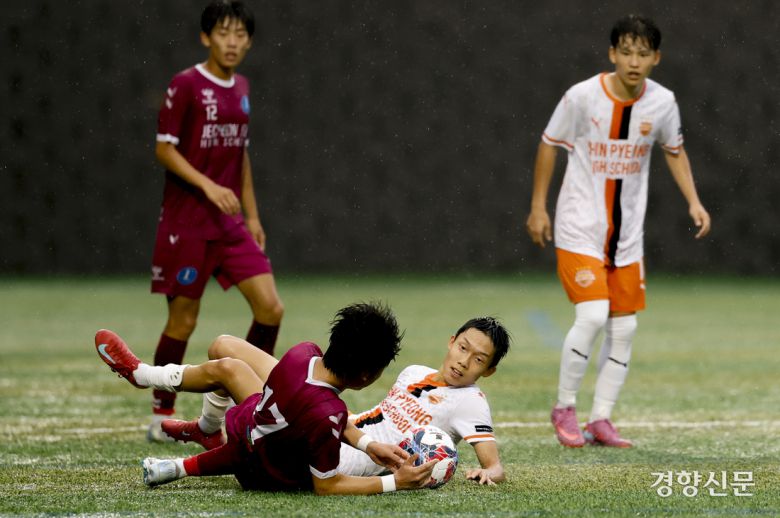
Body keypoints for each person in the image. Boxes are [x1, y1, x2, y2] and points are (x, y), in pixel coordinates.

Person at [525, 15, 711, 448]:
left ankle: (601, 419)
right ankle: (565, 407)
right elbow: (549, 144)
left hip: (626, 236)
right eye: (625, 51)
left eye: (643, 53)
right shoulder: (582, 97)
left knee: (624, 330)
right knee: (592, 316)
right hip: (578, 225)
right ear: (612, 54)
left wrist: (694, 200)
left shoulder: (663, 102)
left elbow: (675, 151)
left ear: (656, 58)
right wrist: (538, 207)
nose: (633, 61)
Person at [95, 302, 436, 494]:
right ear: (366, 375)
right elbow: (327, 485)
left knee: (225, 358)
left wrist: (366, 445)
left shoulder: (304, 354)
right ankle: (206, 429)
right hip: (262, 469)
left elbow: (317, 412)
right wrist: (396, 482)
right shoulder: (329, 414)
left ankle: (145, 376)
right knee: (224, 353)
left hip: (258, 428)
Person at [147, 0, 283, 442]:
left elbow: (239, 153)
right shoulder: (185, 85)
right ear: (206, 37)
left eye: (241, 35)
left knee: (270, 308)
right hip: (187, 222)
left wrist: (253, 215)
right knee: (183, 323)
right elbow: (164, 149)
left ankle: (255, 403)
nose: (232, 42)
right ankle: (160, 415)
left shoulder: (242, 86)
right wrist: (208, 186)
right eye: (223, 33)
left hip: (229, 224)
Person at [161, 317, 511, 486]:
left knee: (228, 367)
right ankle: (208, 430)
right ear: (451, 341)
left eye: (479, 359)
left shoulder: (472, 401)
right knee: (223, 346)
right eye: (464, 348)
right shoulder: (414, 370)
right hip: (343, 425)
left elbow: (494, 465)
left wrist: (487, 472)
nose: (465, 361)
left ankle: (153, 380)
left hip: (340, 449)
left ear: (489, 371)